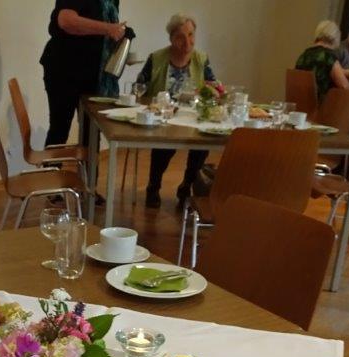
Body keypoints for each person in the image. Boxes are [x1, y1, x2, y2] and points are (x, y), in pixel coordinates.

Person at [136, 13, 217, 207]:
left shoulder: (201, 59)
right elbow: (139, 88)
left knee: (202, 145)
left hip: (192, 116)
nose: (187, 42)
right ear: (171, 38)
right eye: (180, 37)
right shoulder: (157, 58)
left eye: (191, 35)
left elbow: (213, 86)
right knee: (165, 145)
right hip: (163, 116)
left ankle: (186, 186)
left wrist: (211, 92)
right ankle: (153, 186)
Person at [40, 1, 127, 147]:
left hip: (93, 73)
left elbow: (104, 36)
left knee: (91, 131)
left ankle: (89, 163)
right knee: (60, 129)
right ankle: (54, 163)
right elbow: (66, 20)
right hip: (65, 69)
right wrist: (109, 28)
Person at [295, 20, 349, 101]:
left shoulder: (304, 55)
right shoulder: (328, 57)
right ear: (335, 38)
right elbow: (345, 87)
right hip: (322, 105)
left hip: (300, 103)